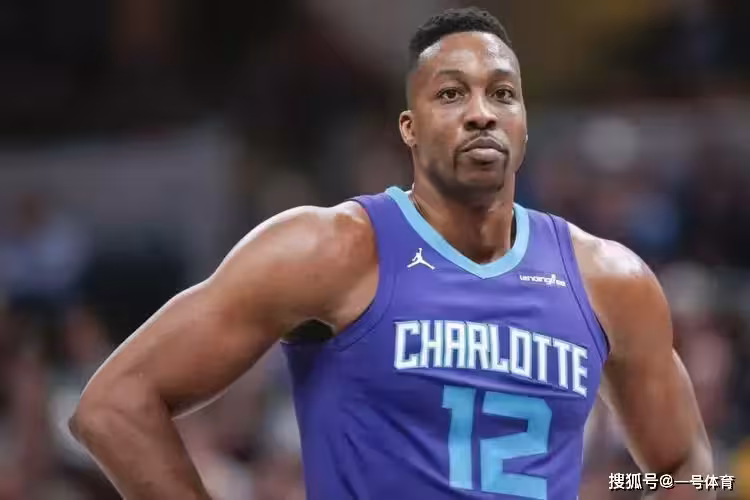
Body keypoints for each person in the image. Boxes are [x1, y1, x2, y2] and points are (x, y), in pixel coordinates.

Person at [69, 7, 715, 500]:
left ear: (524, 123)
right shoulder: (331, 249)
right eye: (452, 94)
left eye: (502, 93)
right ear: (409, 128)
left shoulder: (611, 280)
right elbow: (114, 406)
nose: (482, 113)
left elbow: (689, 470)